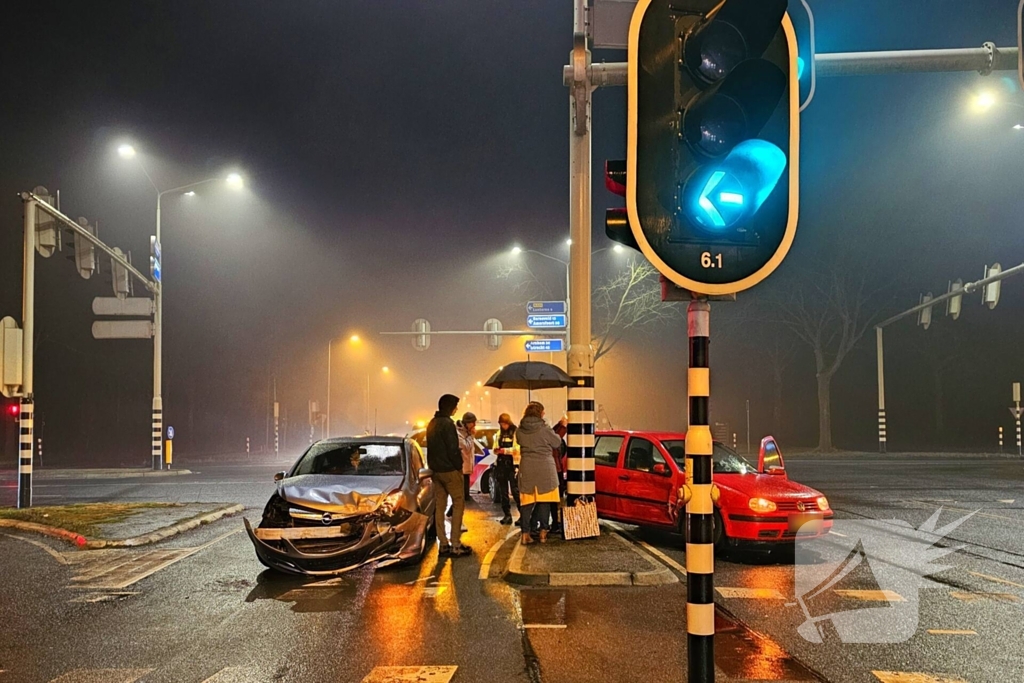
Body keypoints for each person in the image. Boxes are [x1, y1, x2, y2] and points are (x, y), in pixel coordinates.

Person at [515, 401, 566, 545]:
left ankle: (525, 534)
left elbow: (519, 441)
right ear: (539, 413)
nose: (544, 414)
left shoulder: (520, 430)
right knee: (544, 501)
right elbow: (556, 442)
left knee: (527, 503)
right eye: (542, 412)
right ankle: (543, 533)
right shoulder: (544, 428)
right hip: (545, 468)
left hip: (527, 468)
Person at [426, 394, 471, 557]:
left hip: (436, 471)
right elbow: (453, 448)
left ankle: (443, 544)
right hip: (450, 471)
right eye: (455, 406)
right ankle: (456, 544)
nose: (456, 408)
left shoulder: (432, 423)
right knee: (458, 503)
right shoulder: (447, 424)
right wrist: (458, 465)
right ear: (449, 407)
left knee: (440, 505)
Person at [493, 413, 521, 526]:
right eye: (501, 424)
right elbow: (495, 447)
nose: (503, 426)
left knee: (515, 491)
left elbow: (518, 449)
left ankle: (522, 515)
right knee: (503, 492)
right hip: (501, 465)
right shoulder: (499, 434)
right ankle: (507, 515)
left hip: (512, 465)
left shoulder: (515, 432)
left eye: (504, 424)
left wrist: (504, 451)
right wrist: (496, 450)